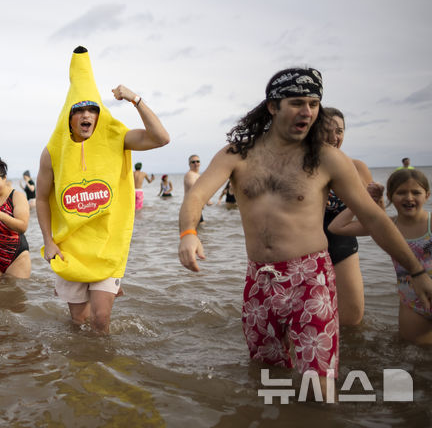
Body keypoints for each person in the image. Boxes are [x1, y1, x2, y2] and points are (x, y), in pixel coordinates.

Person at [177, 67, 432, 390]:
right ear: (273, 107)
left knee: (318, 382)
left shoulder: (326, 159)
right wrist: (188, 233)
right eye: (297, 103)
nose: (308, 112)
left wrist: (415, 271)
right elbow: (197, 195)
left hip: (311, 279)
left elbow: (374, 218)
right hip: (259, 280)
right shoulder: (237, 155)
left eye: (313, 104)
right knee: (266, 375)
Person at [37, 46, 169, 333]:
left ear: (99, 114)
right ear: (68, 116)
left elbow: (161, 138)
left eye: (91, 109)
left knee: (100, 320)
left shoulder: (116, 138)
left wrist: (135, 99)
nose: (86, 115)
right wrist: (48, 240)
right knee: (78, 322)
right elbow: (41, 199)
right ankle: (80, 368)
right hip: (70, 250)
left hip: (107, 247)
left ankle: (103, 371)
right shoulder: (52, 152)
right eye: (79, 110)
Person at [329, 169, 432, 344]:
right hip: (412, 302)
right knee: (415, 355)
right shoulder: (387, 227)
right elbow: (336, 227)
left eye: (416, 192)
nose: (409, 197)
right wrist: (366, 199)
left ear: (427, 195)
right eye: (401, 192)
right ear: (391, 196)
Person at [321, 106, 378, 326]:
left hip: (341, 244)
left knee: (352, 320)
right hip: (303, 247)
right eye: (326, 130)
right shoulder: (303, 168)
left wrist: (378, 198)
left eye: (339, 131)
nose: (333, 137)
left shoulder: (357, 167)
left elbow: (375, 217)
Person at [184, 154, 213, 221]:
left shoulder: (197, 175)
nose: (196, 163)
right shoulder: (190, 174)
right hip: (191, 209)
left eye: (197, 161)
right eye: (193, 162)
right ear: (189, 164)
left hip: (196, 209)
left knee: (201, 229)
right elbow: (195, 188)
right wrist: (207, 200)